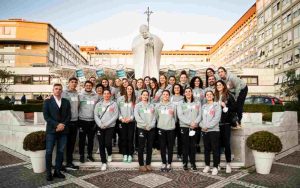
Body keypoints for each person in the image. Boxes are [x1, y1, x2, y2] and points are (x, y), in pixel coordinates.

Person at [43, 83, 71, 181]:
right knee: (49, 151)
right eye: (56, 89)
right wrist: (57, 125)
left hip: (63, 130)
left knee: (60, 151)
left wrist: (62, 125)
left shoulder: (66, 102)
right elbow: (46, 117)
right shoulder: (47, 101)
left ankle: (57, 171)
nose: (58, 90)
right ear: (53, 90)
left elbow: (69, 116)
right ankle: (48, 172)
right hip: (51, 130)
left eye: (60, 89)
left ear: (62, 91)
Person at [177, 87, 201, 171]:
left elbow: (200, 114)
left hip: (194, 127)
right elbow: (180, 115)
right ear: (184, 93)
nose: (188, 93)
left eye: (189, 91)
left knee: (193, 145)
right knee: (185, 145)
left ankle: (193, 163)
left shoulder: (197, 102)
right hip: (185, 126)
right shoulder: (181, 103)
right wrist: (189, 123)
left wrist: (195, 123)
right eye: (186, 91)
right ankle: (185, 162)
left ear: (192, 93)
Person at [215, 80, 236, 173]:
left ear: (223, 86)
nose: (218, 86)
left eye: (220, 84)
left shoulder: (229, 95)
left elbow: (234, 108)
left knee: (227, 144)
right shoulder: (214, 96)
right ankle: (217, 164)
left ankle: (228, 164)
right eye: (217, 85)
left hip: (226, 124)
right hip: (216, 124)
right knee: (217, 145)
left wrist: (225, 107)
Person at [94, 89, 118, 171]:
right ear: (103, 95)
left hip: (110, 127)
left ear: (110, 95)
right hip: (100, 126)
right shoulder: (98, 104)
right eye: (105, 93)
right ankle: (103, 162)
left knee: (108, 143)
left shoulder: (114, 104)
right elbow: (95, 115)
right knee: (101, 145)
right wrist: (100, 124)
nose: (106, 95)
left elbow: (115, 115)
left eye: (108, 93)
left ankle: (110, 154)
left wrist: (107, 124)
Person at [134, 90, 156, 172]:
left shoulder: (151, 105)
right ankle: (141, 164)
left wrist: (150, 125)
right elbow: (137, 117)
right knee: (141, 146)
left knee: (150, 146)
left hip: (151, 128)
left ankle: (148, 163)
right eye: (144, 95)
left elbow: (154, 117)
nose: (145, 96)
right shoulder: (138, 105)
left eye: (147, 95)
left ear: (148, 96)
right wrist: (145, 125)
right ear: (141, 96)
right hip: (142, 128)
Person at [201, 90, 222, 176]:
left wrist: (207, 126)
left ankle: (215, 167)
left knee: (215, 149)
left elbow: (217, 119)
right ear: (205, 97)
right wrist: (202, 126)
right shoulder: (204, 106)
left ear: (213, 96)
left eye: (210, 94)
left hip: (214, 131)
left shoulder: (216, 105)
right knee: (206, 149)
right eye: (207, 95)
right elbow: (201, 118)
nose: (209, 96)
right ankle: (207, 165)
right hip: (204, 131)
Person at [78, 81, 99, 163]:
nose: (88, 87)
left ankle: (89, 155)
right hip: (82, 120)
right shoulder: (80, 95)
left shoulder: (96, 96)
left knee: (91, 140)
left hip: (92, 121)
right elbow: (77, 106)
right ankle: (81, 155)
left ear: (92, 86)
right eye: (87, 85)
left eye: (90, 85)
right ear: (84, 86)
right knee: (82, 140)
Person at [156, 90, 176, 172]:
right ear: (162, 96)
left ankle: (169, 163)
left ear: (169, 96)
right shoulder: (158, 105)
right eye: (164, 94)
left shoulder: (173, 105)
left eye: (167, 94)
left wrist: (172, 123)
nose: (165, 95)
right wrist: (161, 123)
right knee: (162, 146)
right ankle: (164, 162)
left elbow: (175, 117)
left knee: (170, 147)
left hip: (171, 128)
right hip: (161, 128)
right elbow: (156, 117)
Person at [62, 77, 80, 170]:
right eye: (72, 82)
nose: (74, 83)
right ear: (68, 83)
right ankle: (60, 164)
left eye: (75, 82)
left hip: (75, 121)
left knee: (72, 143)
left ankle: (69, 162)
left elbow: (78, 106)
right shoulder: (63, 93)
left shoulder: (77, 93)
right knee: (63, 143)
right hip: (66, 122)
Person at [117, 85, 136, 163]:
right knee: (123, 138)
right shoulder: (120, 99)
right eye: (128, 89)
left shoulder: (134, 100)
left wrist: (130, 118)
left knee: (130, 138)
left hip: (131, 122)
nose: (129, 90)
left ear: (132, 90)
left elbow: (136, 111)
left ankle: (130, 154)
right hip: (122, 121)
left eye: (131, 89)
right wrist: (121, 118)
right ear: (126, 89)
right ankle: (125, 154)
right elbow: (117, 110)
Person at [170, 84, 184, 161]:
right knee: (171, 138)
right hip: (171, 121)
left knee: (180, 138)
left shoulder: (183, 98)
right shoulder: (170, 98)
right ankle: (170, 153)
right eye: (175, 87)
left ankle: (179, 154)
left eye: (178, 87)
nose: (177, 89)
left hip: (181, 121)